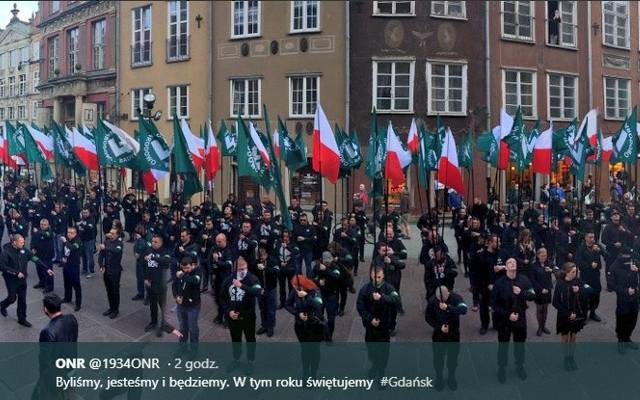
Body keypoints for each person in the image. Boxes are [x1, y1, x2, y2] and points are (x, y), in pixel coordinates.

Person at [491, 258, 535, 383]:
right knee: (503, 345)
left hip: (520, 318)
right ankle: (501, 368)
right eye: (509, 262)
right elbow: (493, 304)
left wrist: (522, 293)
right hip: (505, 320)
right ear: (505, 266)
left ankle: (519, 365)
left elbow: (532, 295)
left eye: (514, 262)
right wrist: (507, 315)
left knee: (520, 345)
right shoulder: (499, 283)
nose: (512, 263)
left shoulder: (523, 279)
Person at [356, 266, 401, 381]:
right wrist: (370, 319)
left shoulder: (389, 288)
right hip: (370, 327)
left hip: (384, 327)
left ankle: (381, 373)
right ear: (371, 276)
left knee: (383, 353)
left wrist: (382, 298)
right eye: (375, 277)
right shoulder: (365, 290)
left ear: (383, 276)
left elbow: (396, 300)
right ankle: (375, 365)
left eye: (379, 277)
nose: (377, 279)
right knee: (371, 351)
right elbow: (360, 307)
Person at [221, 256, 263, 374]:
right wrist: (228, 311)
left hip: (248, 316)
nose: (242, 271)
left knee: (250, 339)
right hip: (233, 317)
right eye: (239, 269)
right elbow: (222, 298)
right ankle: (236, 358)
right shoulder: (228, 280)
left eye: (244, 268)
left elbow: (258, 292)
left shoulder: (252, 279)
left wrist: (242, 286)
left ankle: (251, 361)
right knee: (235, 339)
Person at [425, 285, 468, 391]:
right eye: (439, 299)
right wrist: (439, 327)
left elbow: (463, 309)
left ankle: (451, 377)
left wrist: (449, 308)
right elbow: (428, 317)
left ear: (448, 294)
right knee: (438, 358)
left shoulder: (456, 298)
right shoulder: (433, 301)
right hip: (439, 335)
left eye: (443, 299)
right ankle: (439, 377)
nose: (440, 301)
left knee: (452, 357)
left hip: (453, 333)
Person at [552, 262, 590, 371]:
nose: (575, 273)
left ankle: (571, 357)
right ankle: (565, 358)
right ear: (567, 272)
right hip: (564, 315)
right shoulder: (560, 284)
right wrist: (568, 313)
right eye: (573, 272)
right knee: (565, 336)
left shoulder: (578, 281)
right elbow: (555, 302)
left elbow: (589, 290)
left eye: (576, 271)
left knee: (573, 336)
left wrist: (580, 290)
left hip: (576, 313)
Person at [285, 274, 325, 378]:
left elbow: (319, 306)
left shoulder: (315, 290)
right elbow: (287, 304)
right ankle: (306, 372)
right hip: (301, 326)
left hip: (314, 326)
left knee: (315, 351)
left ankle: (314, 373)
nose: (294, 289)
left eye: (295, 286)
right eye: (293, 287)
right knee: (305, 350)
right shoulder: (295, 291)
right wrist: (297, 314)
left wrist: (306, 296)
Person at [0, 234, 36, 327]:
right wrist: (16, 273)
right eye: (21, 242)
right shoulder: (6, 252)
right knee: (12, 298)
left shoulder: (24, 250)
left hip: (22, 279)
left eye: (23, 242)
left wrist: (46, 268)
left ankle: (22, 319)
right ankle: (3, 305)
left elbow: (33, 258)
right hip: (11, 279)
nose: (23, 244)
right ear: (14, 242)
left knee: (22, 300)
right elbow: (3, 267)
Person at [144, 234, 173, 337]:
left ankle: (163, 324)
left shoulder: (165, 252)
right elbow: (147, 266)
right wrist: (146, 278)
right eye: (152, 241)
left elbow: (166, 261)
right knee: (152, 305)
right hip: (151, 283)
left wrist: (154, 257)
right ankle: (153, 322)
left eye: (156, 242)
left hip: (160, 284)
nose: (153, 243)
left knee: (162, 306)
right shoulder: (149, 250)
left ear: (161, 243)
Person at [611, 248, 640, 354]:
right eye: (626, 257)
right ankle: (621, 340)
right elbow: (612, 284)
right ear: (621, 255)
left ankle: (627, 338)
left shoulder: (634, 262)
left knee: (633, 319)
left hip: (634, 298)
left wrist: (637, 270)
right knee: (622, 320)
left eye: (630, 257)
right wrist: (625, 290)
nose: (629, 260)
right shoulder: (614, 267)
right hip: (623, 299)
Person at [173, 257, 201, 346]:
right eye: (183, 268)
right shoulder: (180, 272)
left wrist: (182, 275)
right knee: (182, 327)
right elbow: (174, 286)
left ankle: (194, 349)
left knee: (192, 328)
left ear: (193, 265)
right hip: (181, 305)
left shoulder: (197, 272)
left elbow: (194, 281)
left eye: (188, 268)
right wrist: (177, 296)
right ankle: (182, 346)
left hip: (193, 306)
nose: (185, 270)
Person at [576, 231, 604, 322]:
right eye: (590, 237)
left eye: (593, 237)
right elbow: (578, 262)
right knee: (585, 296)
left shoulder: (596, 247)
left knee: (596, 295)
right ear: (585, 238)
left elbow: (608, 255)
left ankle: (593, 313)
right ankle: (583, 315)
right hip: (585, 276)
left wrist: (600, 250)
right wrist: (589, 265)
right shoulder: (581, 249)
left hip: (595, 276)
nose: (592, 239)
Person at [98, 227, 124, 319]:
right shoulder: (107, 241)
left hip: (115, 271)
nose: (111, 235)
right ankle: (111, 307)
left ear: (117, 235)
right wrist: (101, 265)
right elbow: (101, 254)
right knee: (109, 290)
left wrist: (106, 248)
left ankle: (115, 309)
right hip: (107, 269)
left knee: (115, 291)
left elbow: (116, 250)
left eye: (113, 233)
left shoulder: (119, 243)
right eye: (110, 233)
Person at [254, 247, 279, 338]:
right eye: (259, 257)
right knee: (262, 309)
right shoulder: (257, 262)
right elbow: (253, 276)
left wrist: (265, 268)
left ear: (266, 255)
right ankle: (264, 325)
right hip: (261, 290)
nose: (261, 259)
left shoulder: (272, 260)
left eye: (262, 257)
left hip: (271, 289)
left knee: (271, 310)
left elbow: (276, 271)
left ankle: (270, 327)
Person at [530, 247, 555, 336]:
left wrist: (551, 270)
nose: (544, 257)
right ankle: (540, 327)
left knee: (545, 309)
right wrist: (541, 289)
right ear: (538, 255)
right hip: (539, 290)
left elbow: (558, 271)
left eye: (545, 255)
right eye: (542, 255)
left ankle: (544, 326)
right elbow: (533, 280)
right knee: (539, 309)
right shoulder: (533, 266)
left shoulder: (549, 263)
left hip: (547, 289)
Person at [61, 227, 83, 312]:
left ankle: (78, 303)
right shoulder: (66, 240)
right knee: (67, 282)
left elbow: (72, 248)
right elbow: (64, 250)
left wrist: (65, 242)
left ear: (75, 233)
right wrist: (63, 257)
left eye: (71, 233)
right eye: (68, 232)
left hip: (74, 265)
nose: (69, 234)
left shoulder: (78, 241)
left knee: (76, 285)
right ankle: (67, 297)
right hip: (66, 264)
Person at [31, 218, 56, 293]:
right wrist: (32, 248)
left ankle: (49, 287)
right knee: (39, 270)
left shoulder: (50, 232)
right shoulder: (37, 232)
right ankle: (42, 283)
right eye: (41, 224)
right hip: (38, 254)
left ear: (48, 225)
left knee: (48, 271)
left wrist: (38, 231)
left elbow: (46, 235)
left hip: (47, 255)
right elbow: (33, 241)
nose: (42, 226)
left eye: (44, 225)